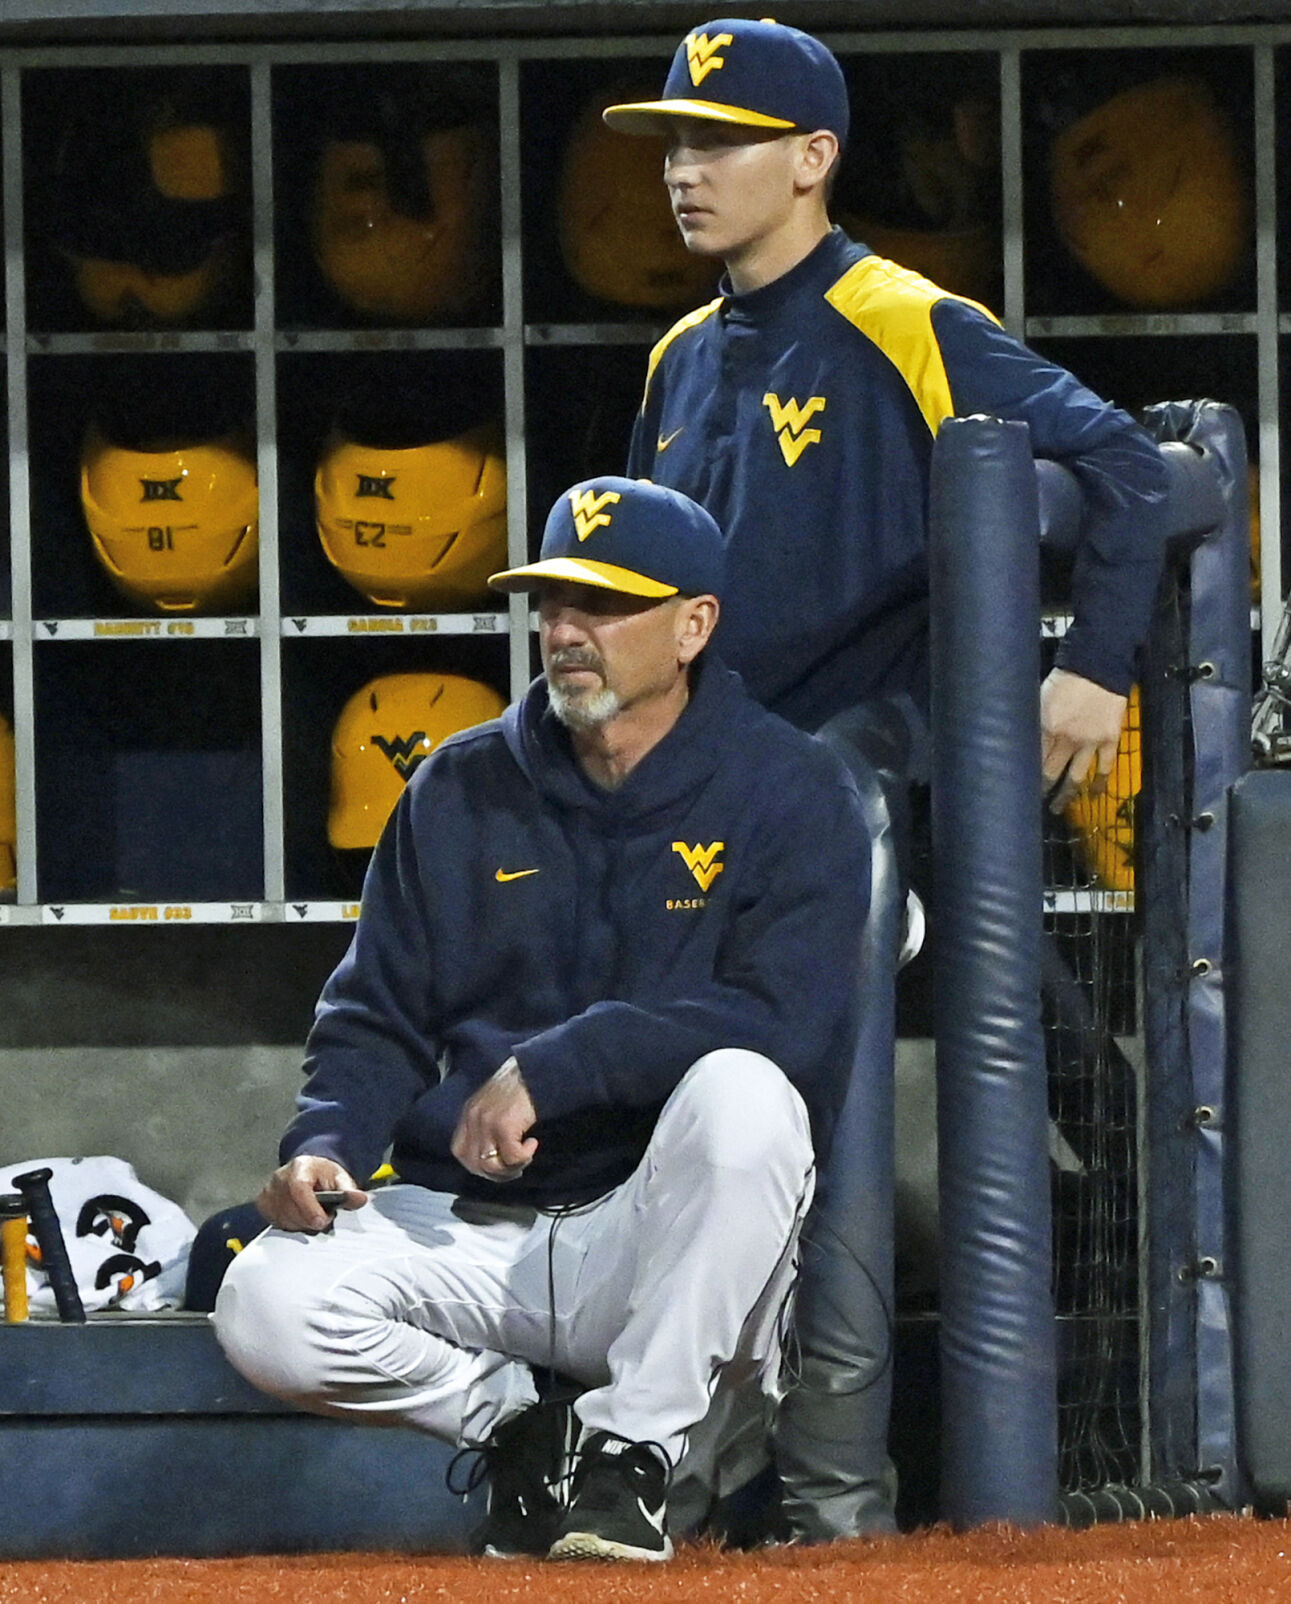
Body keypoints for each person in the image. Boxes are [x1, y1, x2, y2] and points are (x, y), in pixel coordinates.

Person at [601, 17, 1170, 1540]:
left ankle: (835, 1492)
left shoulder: (905, 315)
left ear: (811, 159)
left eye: (715, 141)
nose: (681, 169)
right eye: (672, 141)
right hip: (703, 791)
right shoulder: (674, 355)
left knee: (830, 1101)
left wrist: (1090, 671)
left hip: (860, 783)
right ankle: (681, 1462)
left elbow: (1127, 469)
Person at [212, 475, 875, 1564]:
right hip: (475, 1226)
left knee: (750, 1094)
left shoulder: (791, 789)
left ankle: (629, 1454)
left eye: (605, 606)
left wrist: (564, 1062)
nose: (566, 631)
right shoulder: (458, 785)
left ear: (693, 624)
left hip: (660, 1240)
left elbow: (788, 1026)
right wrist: (325, 1144)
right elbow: (374, 1012)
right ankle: (531, 1431)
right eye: (553, 602)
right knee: (261, 1300)